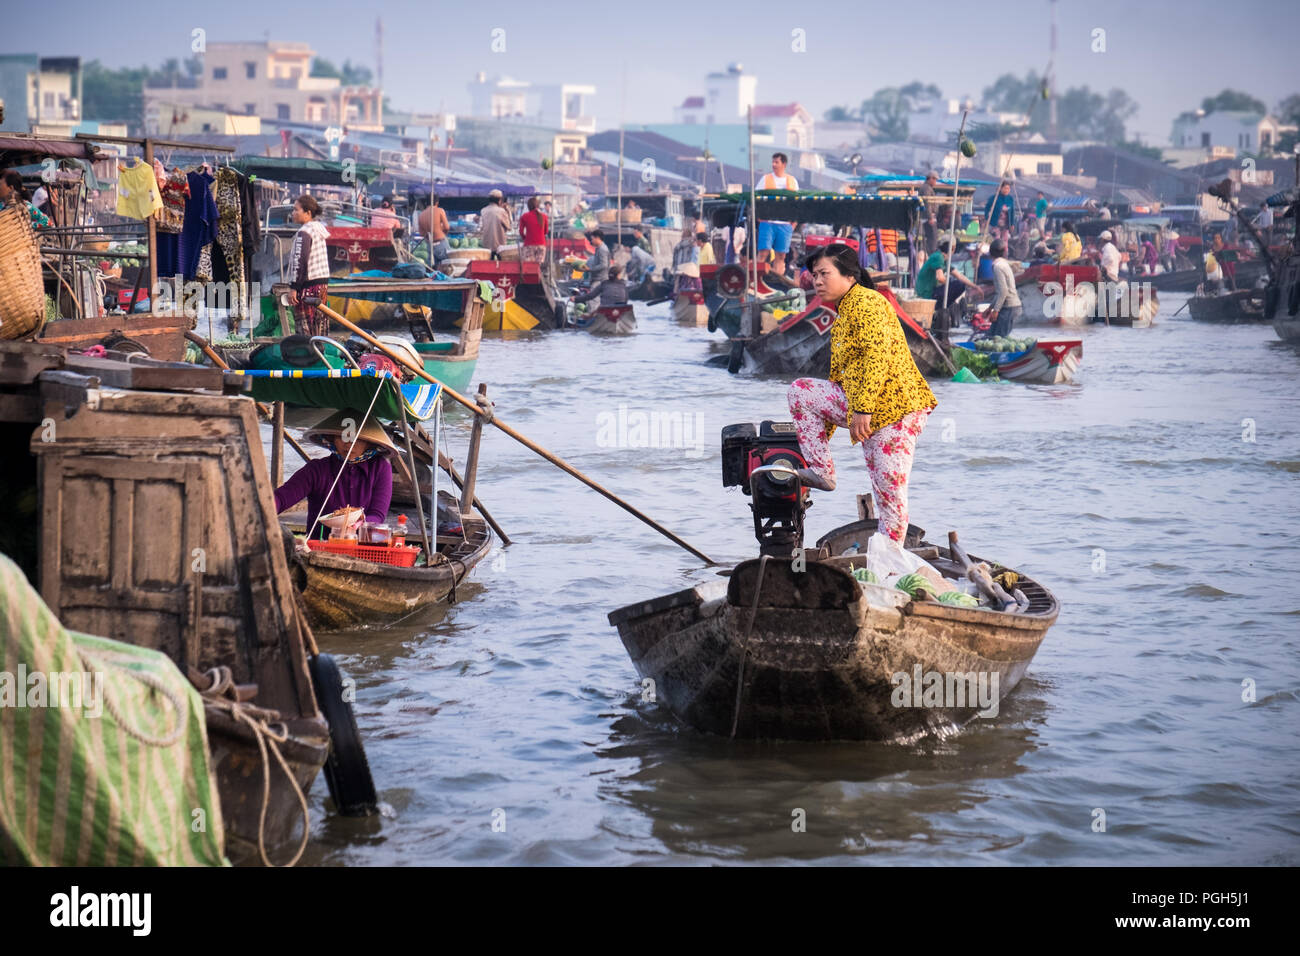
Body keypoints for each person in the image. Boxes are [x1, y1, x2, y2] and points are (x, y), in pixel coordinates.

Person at [786, 244, 937, 548]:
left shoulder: (866, 303)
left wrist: (863, 409)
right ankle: (821, 470)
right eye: (814, 275)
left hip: (893, 409)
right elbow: (839, 380)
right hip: (867, 408)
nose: (816, 281)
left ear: (849, 275)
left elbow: (875, 355)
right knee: (801, 392)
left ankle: (891, 563)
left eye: (824, 273)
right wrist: (824, 437)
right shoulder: (845, 312)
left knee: (889, 494)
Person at [274, 409, 395, 537]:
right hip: (320, 544)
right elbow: (281, 498)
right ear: (331, 438)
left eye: (357, 439)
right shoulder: (316, 469)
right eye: (342, 436)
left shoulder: (380, 468)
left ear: (369, 443)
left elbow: (377, 514)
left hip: (361, 544)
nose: (348, 444)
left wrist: (361, 523)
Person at [285, 194, 332, 338]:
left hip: (308, 287)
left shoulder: (304, 232)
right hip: (321, 286)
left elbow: (300, 261)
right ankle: (321, 355)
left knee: (305, 330)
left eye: (296, 210)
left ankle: (308, 357)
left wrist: (294, 288)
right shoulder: (318, 229)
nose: (292, 213)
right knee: (319, 326)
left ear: (308, 213)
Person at [755, 152, 800, 276]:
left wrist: (794, 224)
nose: (773, 165)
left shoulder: (792, 181)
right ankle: (757, 279)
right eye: (773, 162)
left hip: (785, 225)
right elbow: (756, 199)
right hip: (768, 223)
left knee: (781, 255)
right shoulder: (765, 179)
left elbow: (797, 204)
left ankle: (778, 279)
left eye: (776, 162)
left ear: (783, 164)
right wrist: (759, 217)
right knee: (763, 252)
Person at [986, 239, 1022, 337]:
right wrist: (990, 308)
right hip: (1008, 307)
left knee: (999, 338)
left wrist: (996, 310)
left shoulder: (998, 267)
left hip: (1009, 307)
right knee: (991, 336)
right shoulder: (1003, 264)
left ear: (990, 253)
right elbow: (999, 292)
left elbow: (1003, 291)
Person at [418, 193, 451, 264]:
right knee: (447, 266)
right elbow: (447, 227)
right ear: (437, 202)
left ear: (426, 202)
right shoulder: (440, 210)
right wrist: (443, 233)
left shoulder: (421, 214)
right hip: (441, 243)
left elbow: (421, 233)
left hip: (429, 246)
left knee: (433, 269)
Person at [479, 188, 511, 258]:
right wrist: (507, 211)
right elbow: (508, 226)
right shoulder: (501, 211)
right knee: (500, 265)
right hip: (499, 245)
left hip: (486, 244)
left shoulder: (483, 210)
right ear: (499, 200)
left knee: (489, 265)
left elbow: (481, 227)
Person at [518, 196, 548, 263]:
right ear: (538, 205)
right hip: (541, 245)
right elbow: (546, 231)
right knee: (538, 267)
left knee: (529, 268)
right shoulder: (544, 216)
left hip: (529, 245)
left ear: (528, 206)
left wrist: (525, 238)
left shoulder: (525, 216)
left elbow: (521, 232)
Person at [917, 171, 940, 254]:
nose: (935, 182)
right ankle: (931, 254)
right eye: (934, 179)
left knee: (932, 237)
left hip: (928, 217)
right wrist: (930, 217)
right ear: (930, 178)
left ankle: (930, 252)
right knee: (933, 237)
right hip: (928, 218)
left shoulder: (927, 188)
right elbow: (927, 203)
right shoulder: (926, 188)